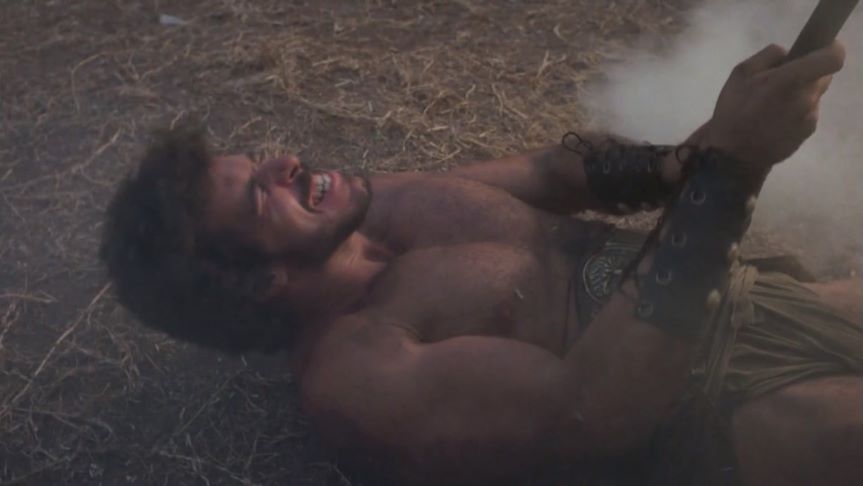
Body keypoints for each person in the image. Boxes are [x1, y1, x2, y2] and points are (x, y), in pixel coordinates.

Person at [100, 41, 863, 485]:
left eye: (259, 161)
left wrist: (683, 163)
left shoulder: (367, 208)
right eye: (259, 196)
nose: (286, 163)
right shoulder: (360, 376)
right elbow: (592, 408)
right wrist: (726, 173)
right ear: (260, 279)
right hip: (708, 414)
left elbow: (547, 175)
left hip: (739, 300)